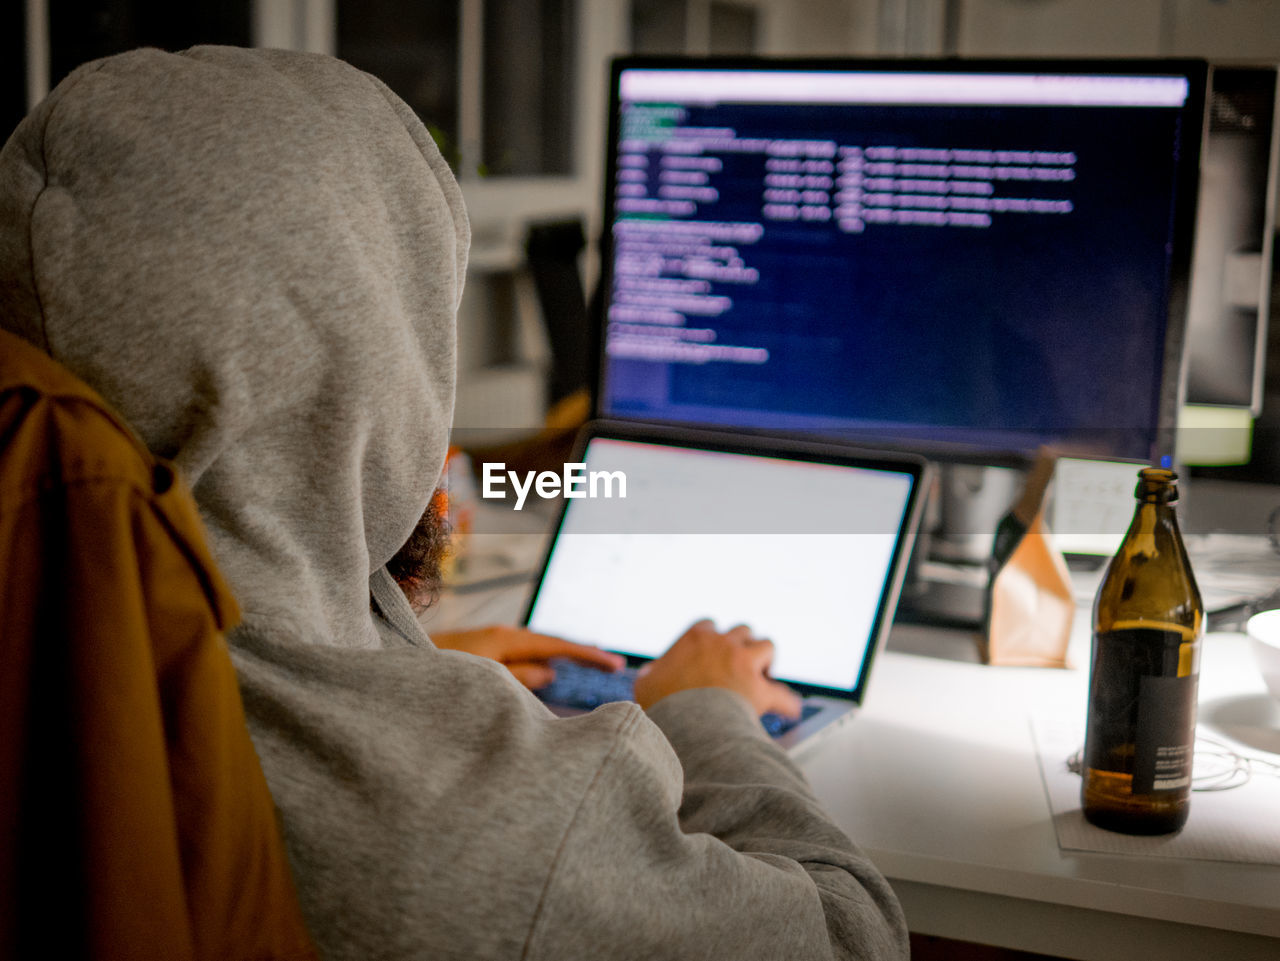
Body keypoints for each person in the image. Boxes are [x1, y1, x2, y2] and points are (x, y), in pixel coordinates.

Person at [0, 46, 909, 960]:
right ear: (373, 378)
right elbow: (853, 936)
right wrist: (707, 713)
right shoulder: (491, 827)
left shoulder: (58, 669)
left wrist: (397, 667)